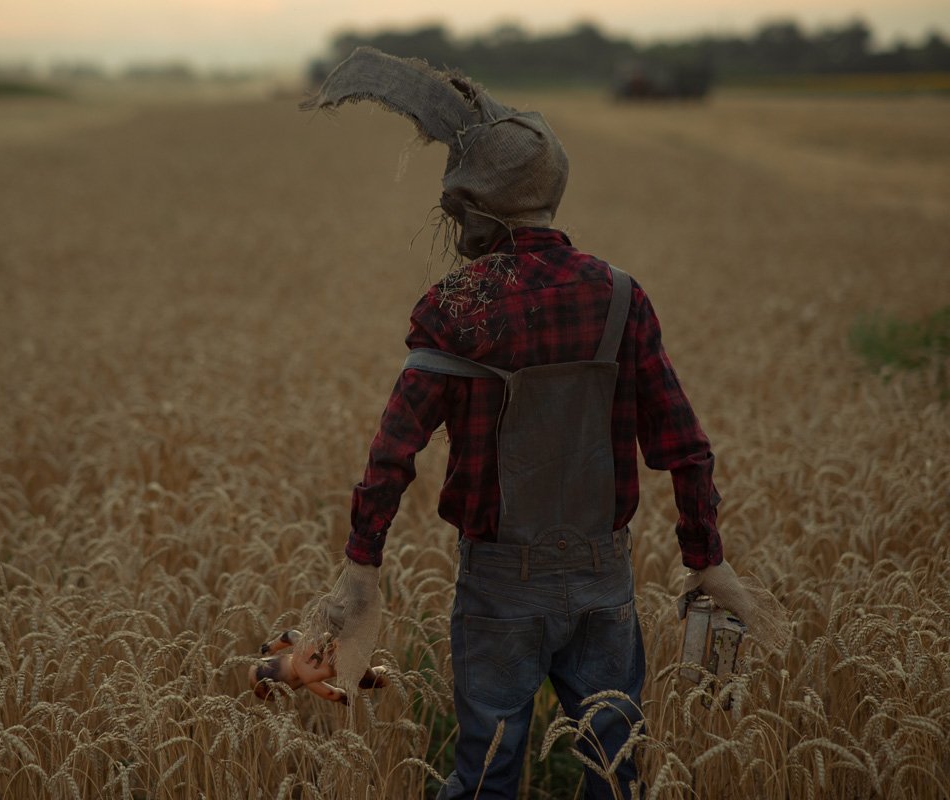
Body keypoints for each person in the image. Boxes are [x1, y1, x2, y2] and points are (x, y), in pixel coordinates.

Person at [290, 47, 786, 800]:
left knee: (486, 776)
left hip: (499, 590)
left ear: (472, 206)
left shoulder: (456, 307)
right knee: (616, 774)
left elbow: (393, 453)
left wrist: (363, 568)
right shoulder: (620, 297)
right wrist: (704, 556)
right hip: (602, 580)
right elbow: (684, 445)